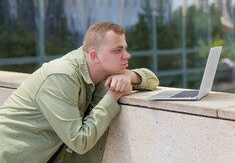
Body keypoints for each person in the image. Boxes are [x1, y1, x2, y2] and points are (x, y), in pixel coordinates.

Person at [0, 21, 159, 163]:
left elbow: (153, 80)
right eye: (118, 50)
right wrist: (112, 96)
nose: (127, 55)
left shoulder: (101, 71)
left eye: (125, 48)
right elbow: (79, 141)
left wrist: (130, 75)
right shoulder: (62, 77)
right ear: (94, 55)